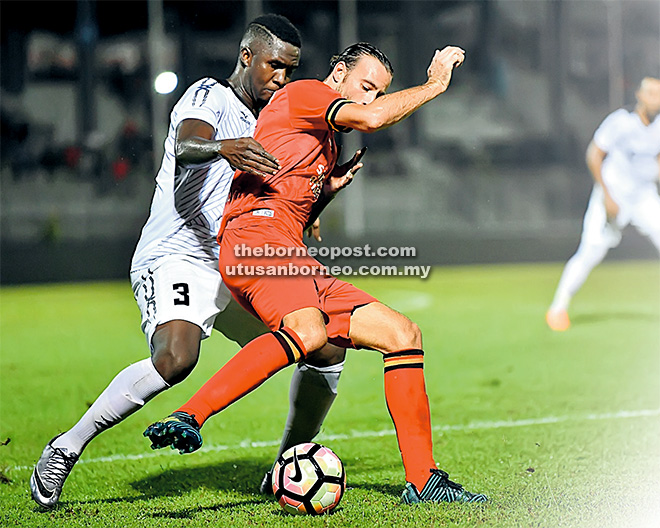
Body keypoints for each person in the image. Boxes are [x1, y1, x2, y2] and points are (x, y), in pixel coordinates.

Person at [30, 14, 352, 509]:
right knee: (176, 359)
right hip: (179, 254)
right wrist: (225, 147)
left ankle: (286, 465)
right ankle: (65, 448)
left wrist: (321, 196)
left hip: (240, 262)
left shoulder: (276, 121)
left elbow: (283, 206)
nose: (281, 78)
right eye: (274, 65)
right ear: (247, 56)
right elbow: (186, 144)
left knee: (326, 345)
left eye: (290, 69)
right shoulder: (209, 95)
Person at [144, 42, 488, 504]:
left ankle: (423, 480)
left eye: (377, 91)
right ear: (339, 73)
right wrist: (433, 85)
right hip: (256, 242)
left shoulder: (322, 141)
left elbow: (293, 210)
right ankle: (191, 414)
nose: (368, 98)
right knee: (306, 332)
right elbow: (372, 119)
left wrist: (324, 191)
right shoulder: (305, 94)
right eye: (365, 86)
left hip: (290, 252)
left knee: (403, 333)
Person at [546, 77, 660, 332]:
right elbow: (594, 155)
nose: (656, 98)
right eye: (651, 92)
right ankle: (558, 308)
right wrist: (607, 195)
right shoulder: (621, 122)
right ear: (639, 96)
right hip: (613, 193)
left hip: (644, 196)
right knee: (591, 252)